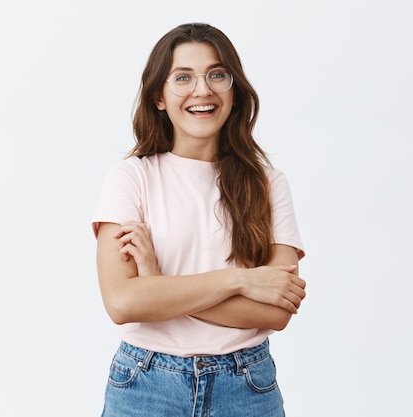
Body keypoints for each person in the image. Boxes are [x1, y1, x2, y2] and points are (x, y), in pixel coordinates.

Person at [91, 22, 306, 417]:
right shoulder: (131, 178)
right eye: (183, 77)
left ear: (234, 91)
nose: (202, 90)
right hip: (145, 385)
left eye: (216, 75)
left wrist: (157, 286)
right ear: (159, 96)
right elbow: (122, 302)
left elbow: (275, 312)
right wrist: (240, 280)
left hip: (246, 386)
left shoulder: (268, 184)